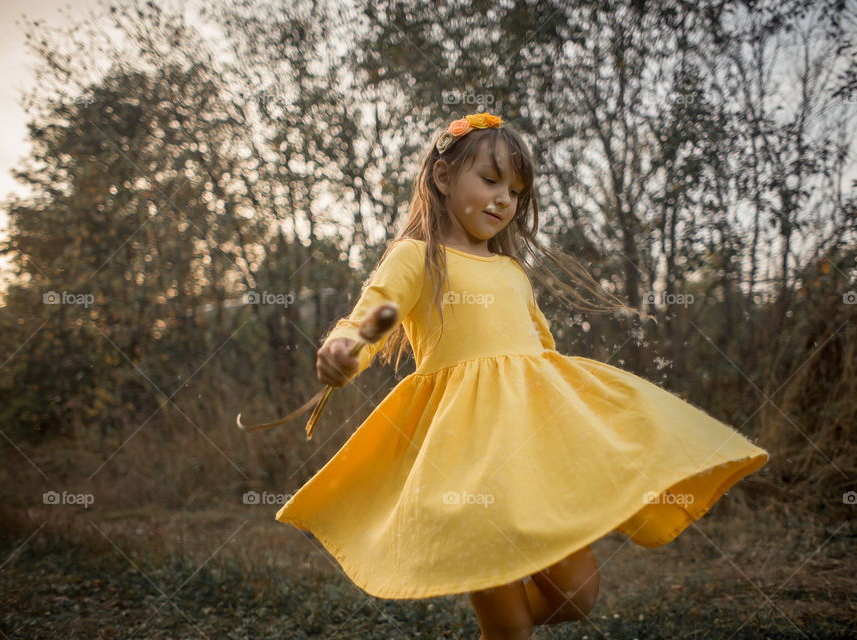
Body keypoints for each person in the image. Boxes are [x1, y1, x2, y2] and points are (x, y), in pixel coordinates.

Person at [274, 112, 769, 639]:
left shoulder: (511, 271)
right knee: (508, 623)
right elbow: (377, 314)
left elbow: (541, 352)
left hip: (533, 452)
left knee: (579, 596)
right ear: (443, 178)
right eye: (490, 181)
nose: (504, 199)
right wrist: (346, 346)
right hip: (468, 457)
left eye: (516, 190)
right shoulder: (418, 257)